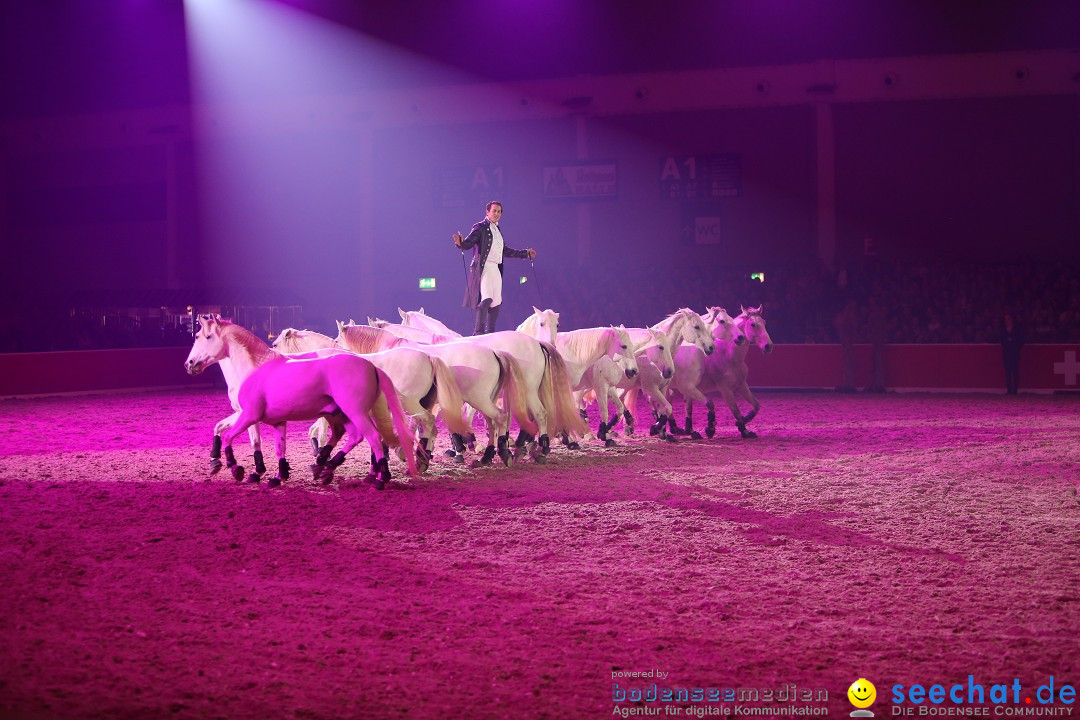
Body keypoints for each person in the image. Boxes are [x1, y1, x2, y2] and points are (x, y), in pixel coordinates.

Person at [453, 201, 536, 335]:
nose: (496, 213)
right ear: (487, 212)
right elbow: (468, 243)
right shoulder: (480, 227)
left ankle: (490, 332)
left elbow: (505, 251)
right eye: (494, 211)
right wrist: (460, 243)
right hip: (484, 265)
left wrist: (525, 253)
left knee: (496, 301)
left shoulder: (497, 231)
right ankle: (478, 332)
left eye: (499, 211)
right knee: (487, 297)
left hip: (496, 267)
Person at [1000, 311, 1024, 395]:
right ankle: (1009, 389)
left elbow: (1021, 341)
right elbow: (1002, 341)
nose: (1007, 320)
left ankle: (1015, 390)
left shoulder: (1017, 330)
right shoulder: (1003, 330)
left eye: (1008, 319)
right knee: (1008, 372)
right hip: (1006, 354)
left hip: (1015, 354)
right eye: (1005, 319)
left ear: (1012, 319)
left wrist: (1015, 347)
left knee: (1015, 372)